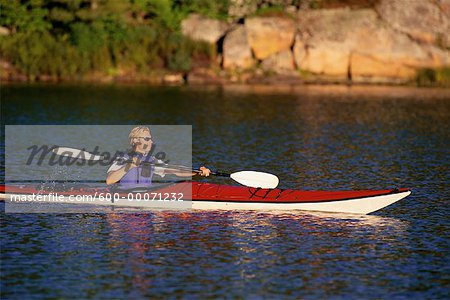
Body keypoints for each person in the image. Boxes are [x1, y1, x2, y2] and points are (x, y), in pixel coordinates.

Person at [106, 126, 210, 188]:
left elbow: (176, 171)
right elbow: (109, 180)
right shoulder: (122, 158)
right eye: (147, 139)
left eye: (151, 139)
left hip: (146, 200)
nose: (151, 142)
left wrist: (198, 172)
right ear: (136, 140)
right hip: (124, 200)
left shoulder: (153, 160)